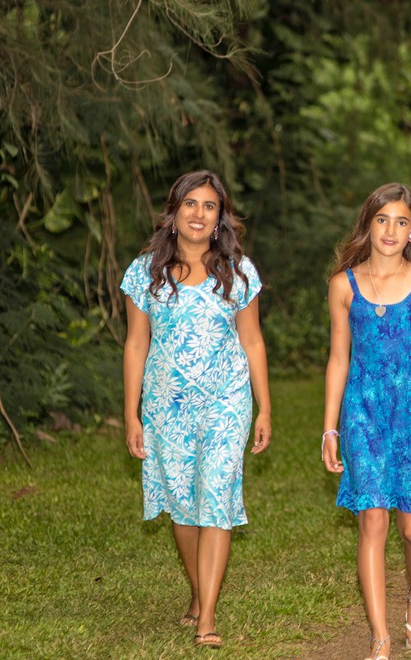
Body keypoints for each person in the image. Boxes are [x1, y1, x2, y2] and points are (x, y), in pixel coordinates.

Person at [122, 170, 272, 650]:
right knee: (183, 511)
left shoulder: (238, 270)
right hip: (167, 406)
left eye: (209, 206)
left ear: (220, 217)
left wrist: (265, 407)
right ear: (173, 212)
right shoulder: (145, 272)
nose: (199, 213)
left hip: (227, 400)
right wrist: (132, 414)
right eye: (190, 204)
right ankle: (197, 591)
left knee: (215, 502)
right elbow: (135, 344)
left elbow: (251, 340)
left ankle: (207, 616)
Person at [321, 183, 411, 658]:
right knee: (373, 522)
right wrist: (330, 427)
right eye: (382, 219)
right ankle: (380, 637)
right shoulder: (343, 285)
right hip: (362, 413)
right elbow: (338, 359)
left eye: (401, 221)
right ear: (368, 223)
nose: (390, 230)